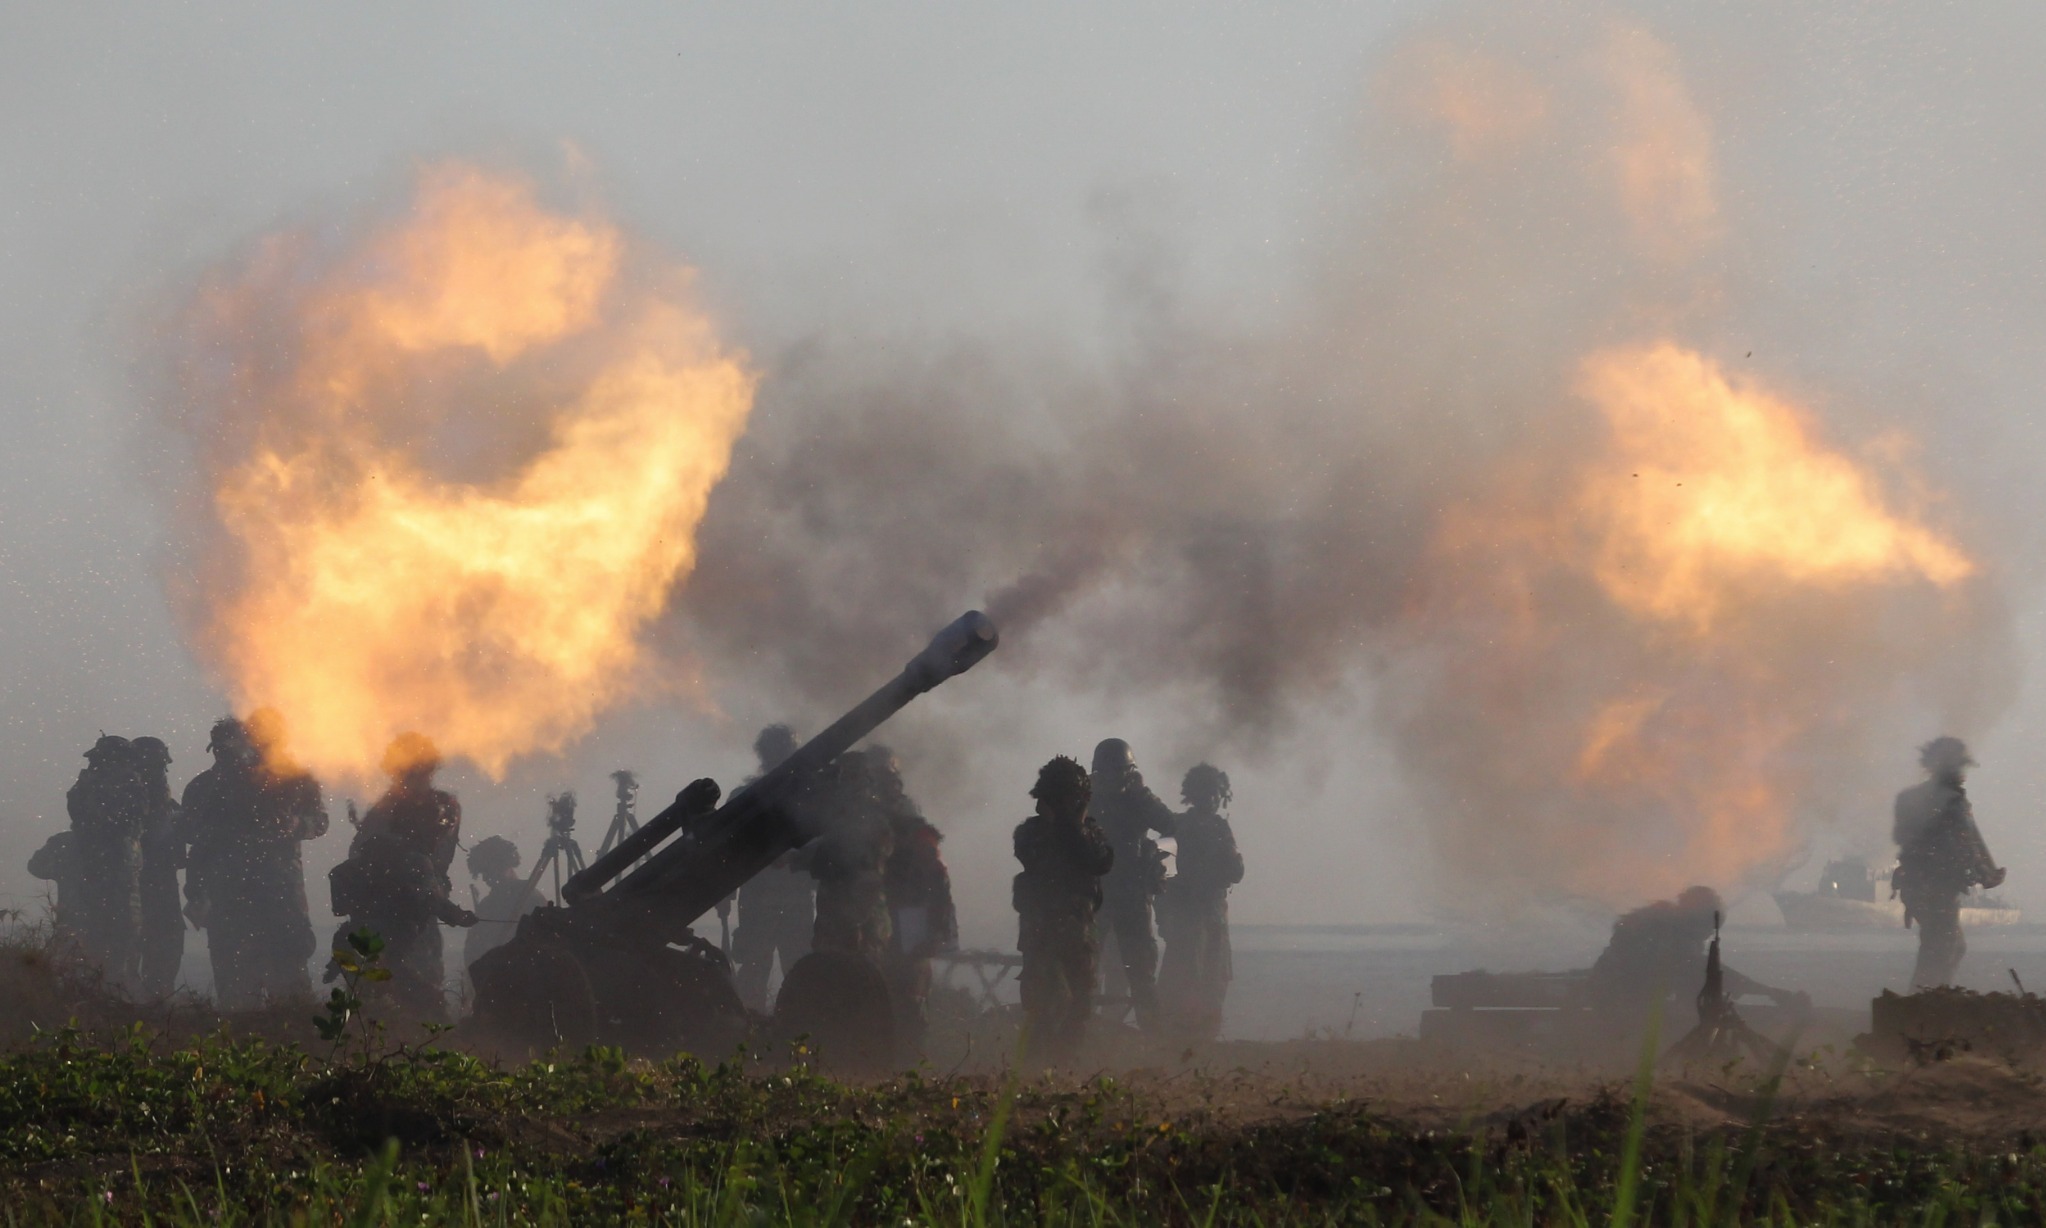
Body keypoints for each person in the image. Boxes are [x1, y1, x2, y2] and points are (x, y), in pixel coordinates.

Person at [181, 711, 328, 1009]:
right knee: (236, 989)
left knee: (290, 981)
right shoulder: (204, 788)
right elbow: (191, 838)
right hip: (228, 898)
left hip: (280, 895)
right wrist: (197, 889)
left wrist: (295, 824)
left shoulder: (292, 780)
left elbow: (319, 821)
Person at [336, 732, 467, 1017]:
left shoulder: (436, 807)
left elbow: (435, 861)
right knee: (412, 999)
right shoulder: (388, 811)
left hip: (408, 916)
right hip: (399, 918)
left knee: (400, 995)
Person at [1579, 886, 1807, 1038]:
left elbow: (1699, 972)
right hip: (1626, 1010)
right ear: (1698, 920)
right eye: (1708, 929)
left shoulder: (1659, 926)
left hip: (1620, 1000)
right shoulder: (1667, 936)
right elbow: (1705, 970)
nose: (1707, 936)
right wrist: (1770, 992)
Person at [1013, 755, 1115, 1065]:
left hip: (1078, 929)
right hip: (1042, 929)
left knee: (1081, 1002)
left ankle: (1065, 1063)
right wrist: (1063, 824)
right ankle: (1034, 1069)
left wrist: (1074, 824)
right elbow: (1033, 858)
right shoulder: (1031, 832)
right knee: (1043, 1004)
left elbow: (1099, 861)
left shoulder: (1089, 832)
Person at [1893, 736, 2005, 989]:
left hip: (1915, 885)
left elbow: (1902, 838)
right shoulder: (1952, 802)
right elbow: (1969, 841)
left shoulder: (1909, 798)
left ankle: (1930, 997)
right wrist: (1986, 874)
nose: (1963, 773)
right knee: (1944, 946)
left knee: (1944, 944)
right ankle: (1927, 1002)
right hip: (1938, 886)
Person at [871, 747, 959, 1055]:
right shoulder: (865, 821)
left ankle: (908, 1062)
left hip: (907, 917)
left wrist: (936, 929)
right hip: (877, 916)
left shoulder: (914, 830)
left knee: (910, 995)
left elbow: (937, 880)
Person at [1087, 738, 1176, 1029]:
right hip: (1096, 894)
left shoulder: (1138, 801)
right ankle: (1081, 1033)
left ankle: (1151, 1033)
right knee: (1085, 966)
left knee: (1140, 971)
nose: (1115, 778)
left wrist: (1143, 794)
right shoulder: (1087, 801)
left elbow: (1170, 826)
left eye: (1120, 772)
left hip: (1130, 894)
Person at [732, 725, 817, 1011]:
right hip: (763, 896)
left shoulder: (809, 797)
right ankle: (752, 1028)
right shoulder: (746, 798)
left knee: (798, 966)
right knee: (757, 967)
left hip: (793, 895)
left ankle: (795, 1026)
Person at [1157, 763, 1243, 1041]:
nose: (1213, 799)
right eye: (1207, 793)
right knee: (1187, 980)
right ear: (1194, 795)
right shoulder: (1179, 827)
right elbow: (1161, 875)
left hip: (1208, 915)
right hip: (1189, 915)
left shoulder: (1207, 827)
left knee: (1211, 980)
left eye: (1216, 793)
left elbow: (1235, 873)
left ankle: (1199, 1038)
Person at [63, 735, 146, 992]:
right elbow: (131, 824)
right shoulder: (126, 785)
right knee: (119, 935)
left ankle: (99, 987)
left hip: (94, 872)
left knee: (94, 935)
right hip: (114, 872)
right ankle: (110, 989)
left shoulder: (87, 784)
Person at [805, 750, 894, 964]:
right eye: (843, 776)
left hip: (862, 919)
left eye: (851, 776)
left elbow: (870, 876)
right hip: (833, 915)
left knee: (863, 978)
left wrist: (856, 923)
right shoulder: (835, 814)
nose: (844, 783)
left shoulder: (873, 816)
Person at [130, 736, 187, 997]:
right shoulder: (134, 807)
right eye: (159, 767)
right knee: (154, 958)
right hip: (143, 892)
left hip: (155, 890)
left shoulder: (164, 809)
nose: (162, 774)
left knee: (160, 959)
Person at [461, 836, 536, 974]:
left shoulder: (529, 895)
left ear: (505, 865)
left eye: (489, 871)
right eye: (484, 873)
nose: (485, 879)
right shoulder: (487, 905)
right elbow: (472, 953)